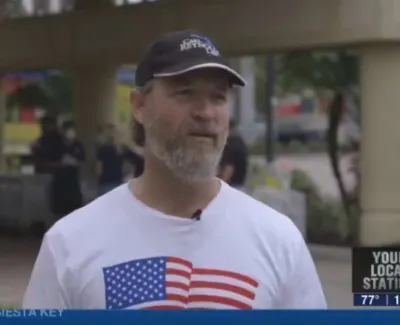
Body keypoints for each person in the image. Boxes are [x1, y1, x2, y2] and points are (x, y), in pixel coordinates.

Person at [23, 30, 326, 309]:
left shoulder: (278, 240)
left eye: (218, 97)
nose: (205, 112)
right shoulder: (69, 243)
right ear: (140, 106)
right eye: (184, 93)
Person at [52, 120, 85, 217]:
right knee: (60, 212)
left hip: (73, 182)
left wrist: (75, 163)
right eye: (68, 130)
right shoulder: (56, 145)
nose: (71, 133)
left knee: (75, 210)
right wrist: (60, 164)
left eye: (73, 130)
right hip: (59, 182)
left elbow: (83, 161)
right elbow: (48, 162)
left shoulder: (78, 145)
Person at [218, 119, 248, 191]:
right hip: (240, 185)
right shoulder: (239, 141)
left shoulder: (232, 145)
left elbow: (229, 168)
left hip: (232, 185)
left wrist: (221, 186)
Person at [96, 124, 124, 195]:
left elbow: (99, 168)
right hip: (116, 181)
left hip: (106, 182)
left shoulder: (102, 149)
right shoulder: (119, 150)